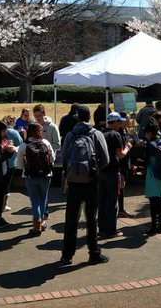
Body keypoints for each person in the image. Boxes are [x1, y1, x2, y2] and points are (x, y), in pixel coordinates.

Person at [59, 105, 110, 265]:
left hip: (74, 181)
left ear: (77, 117)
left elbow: (64, 157)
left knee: (71, 218)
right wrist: (94, 170)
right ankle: (94, 252)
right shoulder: (96, 134)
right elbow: (106, 159)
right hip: (91, 181)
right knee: (91, 218)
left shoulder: (70, 135)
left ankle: (67, 255)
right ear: (89, 117)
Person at [98, 112, 131, 239]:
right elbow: (120, 154)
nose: (121, 123)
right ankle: (111, 230)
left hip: (101, 171)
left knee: (102, 200)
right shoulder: (115, 135)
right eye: (120, 121)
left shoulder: (101, 133)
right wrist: (128, 147)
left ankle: (101, 227)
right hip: (112, 171)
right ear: (115, 122)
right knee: (112, 201)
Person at [18, 123, 54, 235]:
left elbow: (19, 164)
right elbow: (52, 158)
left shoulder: (24, 145)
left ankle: (37, 223)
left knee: (35, 200)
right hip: (46, 175)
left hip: (30, 176)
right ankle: (41, 221)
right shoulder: (45, 143)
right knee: (43, 198)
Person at [142, 123, 161, 236]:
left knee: (153, 203)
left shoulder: (149, 145)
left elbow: (146, 161)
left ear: (149, 133)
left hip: (152, 175)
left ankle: (153, 227)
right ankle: (160, 227)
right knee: (159, 202)